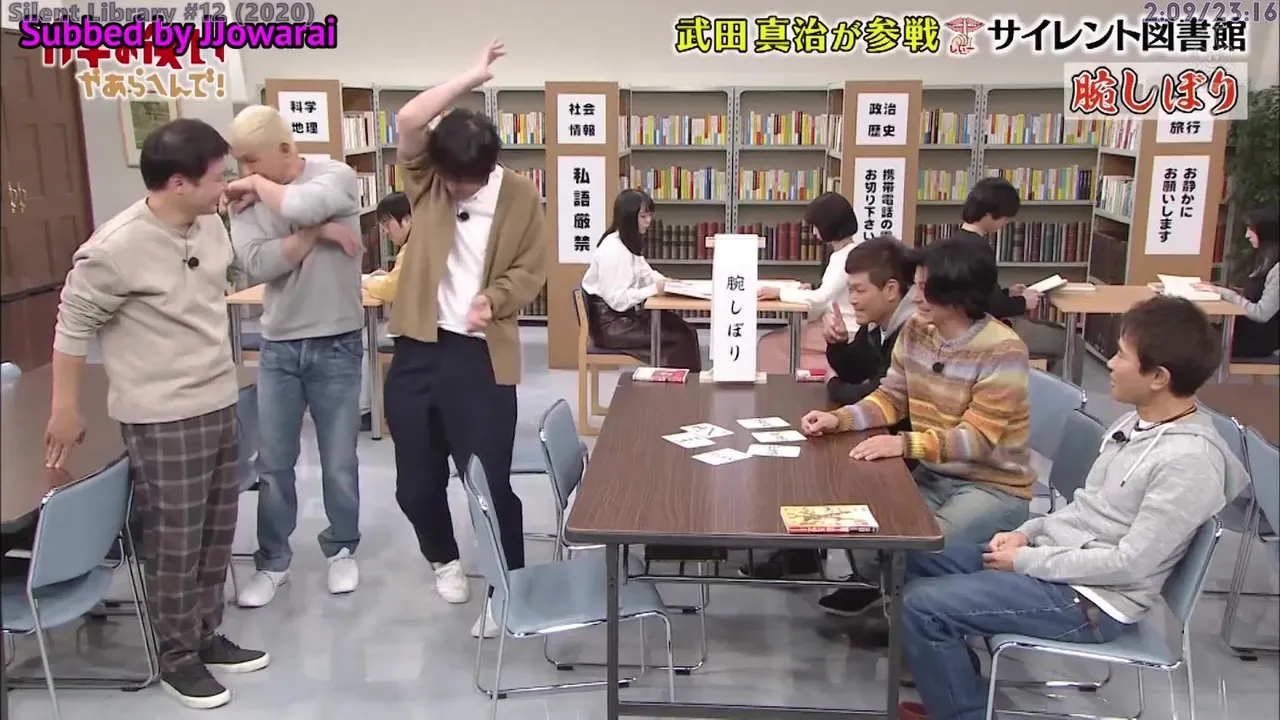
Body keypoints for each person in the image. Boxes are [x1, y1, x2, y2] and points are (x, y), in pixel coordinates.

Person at [896, 295, 1249, 720]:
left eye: (1122, 356)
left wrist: (1026, 560)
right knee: (913, 562)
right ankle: (957, 693)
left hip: (1091, 600)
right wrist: (1027, 533)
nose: (1111, 364)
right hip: (1059, 562)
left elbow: (1130, 564)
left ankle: (960, 711)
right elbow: (1086, 508)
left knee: (922, 605)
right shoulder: (1138, 423)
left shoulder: (1189, 462)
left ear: (1158, 377)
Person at [46, 118, 268, 709]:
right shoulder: (114, 249)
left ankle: (204, 633)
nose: (227, 185)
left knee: (216, 533)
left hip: (218, 398)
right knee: (175, 541)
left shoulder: (210, 223)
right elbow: (72, 326)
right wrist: (65, 408)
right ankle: (176, 658)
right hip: (163, 416)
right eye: (218, 177)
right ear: (178, 182)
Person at [384, 40, 546, 639]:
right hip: (417, 349)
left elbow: (530, 269)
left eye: (469, 184)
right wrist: (472, 77)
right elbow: (408, 119)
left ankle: (506, 587)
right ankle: (443, 560)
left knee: (489, 483)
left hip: (479, 356)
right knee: (414, 485)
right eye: (453, 181)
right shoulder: (427, 177)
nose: (458, 191)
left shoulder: (520, 195)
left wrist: (493, 300)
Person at [800, 238, 1034, 620]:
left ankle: (909, 621)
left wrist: (903, 444)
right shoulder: (916, 330)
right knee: (859, 522)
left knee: (915, 549)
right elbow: (891, 397)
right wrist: (840, 419)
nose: (916, 295)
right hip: (933, 474)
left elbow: (976, 439)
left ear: (957, 294)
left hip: (992, 487)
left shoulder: (1003, 350)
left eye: (926, 287)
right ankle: (889, 602)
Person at [226, 105, 366, 608]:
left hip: (338, 342)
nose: (244, 173)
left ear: (285, 149)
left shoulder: (336, 175)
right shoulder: (244, 203)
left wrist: (260, 189)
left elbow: (305, 205)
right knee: (273, 462)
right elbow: (258, 264)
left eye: (252, 161)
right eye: (240, 163)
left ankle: (341, 548)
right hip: (279, 347)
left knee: (339, 460)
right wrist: (319, 233)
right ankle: (273, 561)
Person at [741, 235, 920, 580]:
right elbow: (859, 370)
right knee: (806, 448)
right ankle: (804, 554)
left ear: (891, 289)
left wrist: (834, 386)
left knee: (816, 460)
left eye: (859, 290)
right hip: (878, 424)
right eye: (849, 290)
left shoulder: (911, 329)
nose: (852, 299)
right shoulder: (881, 321)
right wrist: (837, 345)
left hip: (900, 439)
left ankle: (862, 579)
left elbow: (874, 390)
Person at [949, 177, 1067, 372]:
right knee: (1067, 342)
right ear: (989, 214)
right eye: (1004, 218)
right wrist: (1023, 302)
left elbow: (976, 294)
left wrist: (1008, 293)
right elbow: (992, 307)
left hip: (966, 324)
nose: (1005, 223)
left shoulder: (955, 241)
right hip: (982, 328)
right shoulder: (979, 249)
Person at [580, 189, 701, 370]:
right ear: (629, 217)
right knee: (680, 337)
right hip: (611, 326)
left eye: (649, 215)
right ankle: (676, 384)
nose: (648, 221)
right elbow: (617, 300)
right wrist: (654, 289)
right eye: (643, 216)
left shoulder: (628, 241)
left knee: (684, 329)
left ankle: (684, 382)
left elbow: (646, 273)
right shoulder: (613, 250)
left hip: (622, 318)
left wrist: (668, 283)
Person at [756, 192, 861, 373]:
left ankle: (780, 388)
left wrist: (780, 292)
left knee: (768, 344)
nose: (813, 232)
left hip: (842, 328)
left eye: (816, 226)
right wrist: (811, 289)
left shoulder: (843, 258)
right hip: (842, 325)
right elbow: (833, 291)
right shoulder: (851, 252)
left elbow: (820, 299)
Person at [1197, 204, 1279, 360]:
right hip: (1242, 329)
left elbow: (1262, 313)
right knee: (1194, 332)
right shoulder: (1264, 259)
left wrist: (1224, 293)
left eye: (1251, 230)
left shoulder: (1277, 269)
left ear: (1267, 233)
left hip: (1259, 339)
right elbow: (1253, 296)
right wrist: (1217, 290)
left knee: (1196, 341)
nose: (1247, 235)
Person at [363, 191, 412, 303]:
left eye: (387, 224)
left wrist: (367, 283)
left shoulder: (410, 250)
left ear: (406, 220)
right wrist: (390, 277)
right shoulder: (421, 240)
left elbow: (390, 291)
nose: (385, 232)